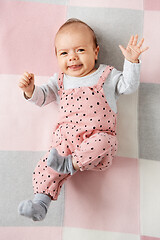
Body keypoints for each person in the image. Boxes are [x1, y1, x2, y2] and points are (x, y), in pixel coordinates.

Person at [18, 18, 149, 221]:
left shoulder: (106, 75)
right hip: (65, 142)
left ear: (95, 52)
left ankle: (70, 165)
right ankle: (40, 204)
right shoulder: (60, 80)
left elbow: (128, 86)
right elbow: (42, 97)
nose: (72, 58)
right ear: (57, 57)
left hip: (97, 142)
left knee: (105, 141)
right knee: (45, 166)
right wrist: (30, 90)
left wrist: (131, 62)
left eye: (80, 50)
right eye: (64, 53)